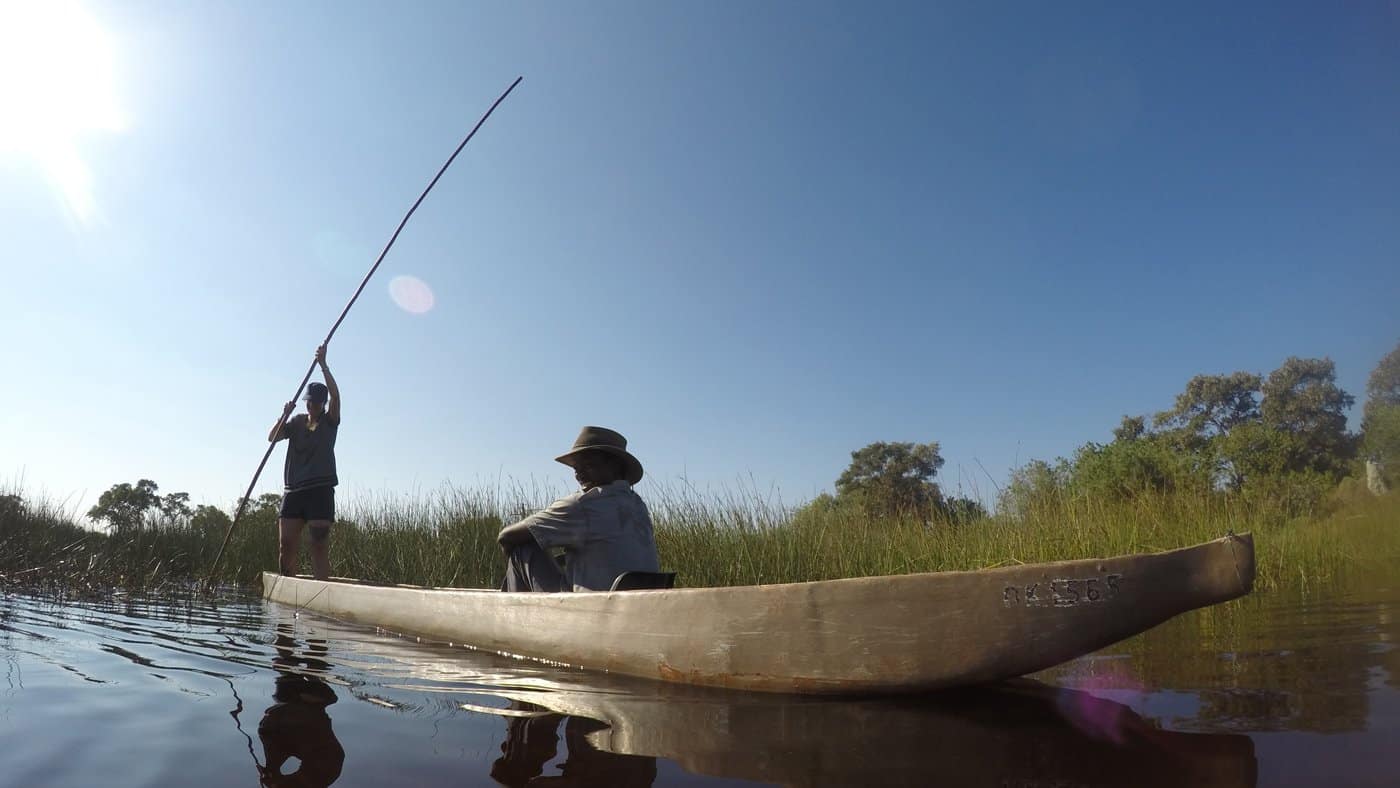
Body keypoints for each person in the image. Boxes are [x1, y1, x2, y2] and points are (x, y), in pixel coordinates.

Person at [497, 426, 659, 592]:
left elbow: (506, 536)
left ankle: (515, 614)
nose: (579, 474)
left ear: (614, 466)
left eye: (588, 465)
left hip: (592, 606)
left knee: (522, 549)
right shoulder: (638, 505)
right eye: (576, 468)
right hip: (638, 602)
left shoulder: (583, 504)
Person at [268, 344, 341, 580]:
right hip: (294, 491)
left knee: (317, 543)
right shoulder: (297, 422)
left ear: (323, 403)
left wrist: (323, 365)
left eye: (317, 402)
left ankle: (321, 588)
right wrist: (284, 415)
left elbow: (336, 396)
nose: (312, 406)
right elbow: (272, 437)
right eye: (309, 402)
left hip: (320, 489)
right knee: (286, 543)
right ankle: (287, 585)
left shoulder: (330, 421)